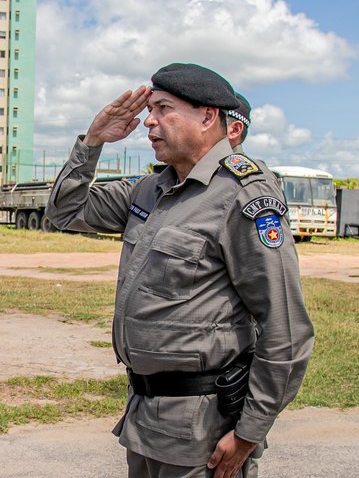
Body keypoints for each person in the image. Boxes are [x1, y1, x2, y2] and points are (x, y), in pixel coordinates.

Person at [45, 63, 314, 478]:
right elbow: (64, 211)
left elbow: (287, 329)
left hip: (203, 430)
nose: (148, 121)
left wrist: (248, 433)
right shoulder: (150, 189)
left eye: (163, 108)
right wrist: (93, 140)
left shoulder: (243, 194)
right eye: (149, 109)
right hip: (145, 417)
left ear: (208, 117)